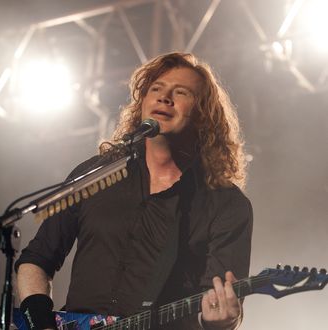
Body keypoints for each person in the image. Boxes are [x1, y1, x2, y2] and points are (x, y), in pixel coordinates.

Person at [15, 52, 253, 330]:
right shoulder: (95, 176)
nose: (165, 98)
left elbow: (221, 304)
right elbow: (36, 259)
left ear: (203, 115)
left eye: (181, 92)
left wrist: (225, 320)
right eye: (156, 89)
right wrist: (39, 321)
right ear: (142, 103)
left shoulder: (225, 205)